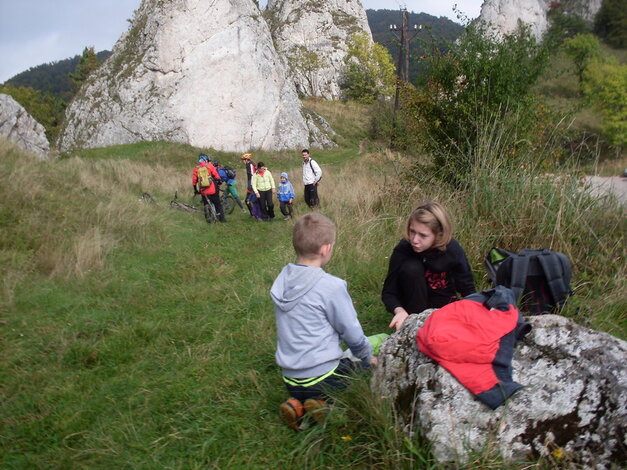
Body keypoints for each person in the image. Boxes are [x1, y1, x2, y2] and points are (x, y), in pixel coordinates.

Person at [271, 213, 376, 431]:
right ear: (326, 249)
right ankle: (324, 404)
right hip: (324, 377)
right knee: (364, 367)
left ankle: (296, 403)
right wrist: (368, 356)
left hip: (289, 378)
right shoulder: (331, 287)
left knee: (303, 388)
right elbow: (352, 333)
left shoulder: (283, 281)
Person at [381, 201, 475, 331]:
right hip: (413, 308)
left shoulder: (452, 250)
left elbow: (467, 289)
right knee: (411, 267)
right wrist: (399, 311)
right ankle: (416, 325)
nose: (414, 240)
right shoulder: (403, 249)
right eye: (412, 231)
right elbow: (389, 293)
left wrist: (475, 313)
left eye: (423, 235)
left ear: (438, 235)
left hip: (444, 304)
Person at [192, 154, 226, 222]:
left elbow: (194, 181)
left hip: (203, 191)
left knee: (206, 204)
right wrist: (219, 181)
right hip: (212, 189)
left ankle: (208, 219)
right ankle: (222, 219)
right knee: (217, 204)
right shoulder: (210, 166)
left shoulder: (196, 168)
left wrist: (196, 190)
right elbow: (216, 176)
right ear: (206, 160)